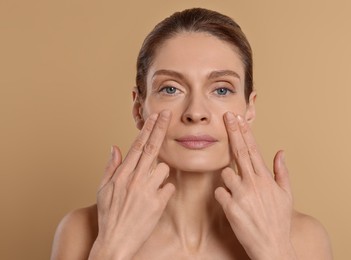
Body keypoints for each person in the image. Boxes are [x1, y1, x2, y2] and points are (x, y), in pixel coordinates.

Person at [50, 8, 333, 260]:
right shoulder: (82, 232)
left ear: (249, 108)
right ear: (139, 108)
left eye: (221, 89)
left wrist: (275, 251)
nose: (196, 112)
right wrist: (111, 248)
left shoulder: (302, 238)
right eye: (171, 88)